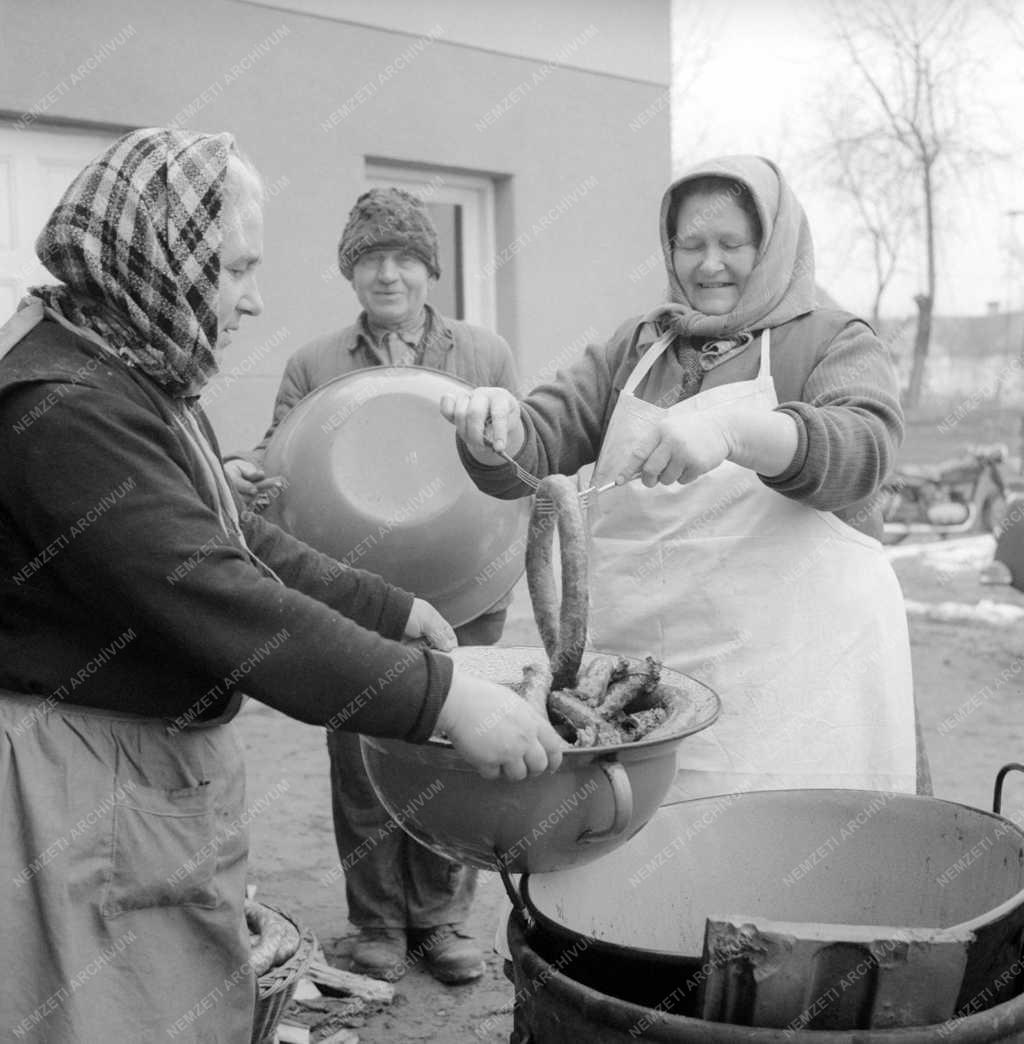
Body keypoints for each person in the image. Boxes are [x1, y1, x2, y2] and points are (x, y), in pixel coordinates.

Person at [0, 128, 562, 1044]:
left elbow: (235, 530)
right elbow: (219, 593)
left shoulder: (121, 368)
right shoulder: (65, 406)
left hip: (135, 773)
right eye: (232, 270)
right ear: (156, 257)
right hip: (86, 791)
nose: (254, 301)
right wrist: (444, 701)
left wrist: (389, 609)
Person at [444, 154, 929, 802]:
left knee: (787, 862)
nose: (708, 264)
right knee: (646, 859)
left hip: (798, 692)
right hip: (642, 693)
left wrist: (736, 434)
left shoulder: (829, 339)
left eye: (732, 244)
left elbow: (864, 451)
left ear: (774, 245)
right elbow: (535, 449)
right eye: (690, 243)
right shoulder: (638, 347)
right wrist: (497, 431)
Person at [225, 187, 521, 984]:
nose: (388, 275)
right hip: (353, 590)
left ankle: (441, 921)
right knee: (360, 754)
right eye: (369, 261)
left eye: (403, 259)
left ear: (429, 268)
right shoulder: (315, 364)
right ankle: (377, 923)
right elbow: (278, 459)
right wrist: (241, 472)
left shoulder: (483, 356)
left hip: (464, 588)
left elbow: (517, 466)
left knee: (452, 748)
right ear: (351, 274)